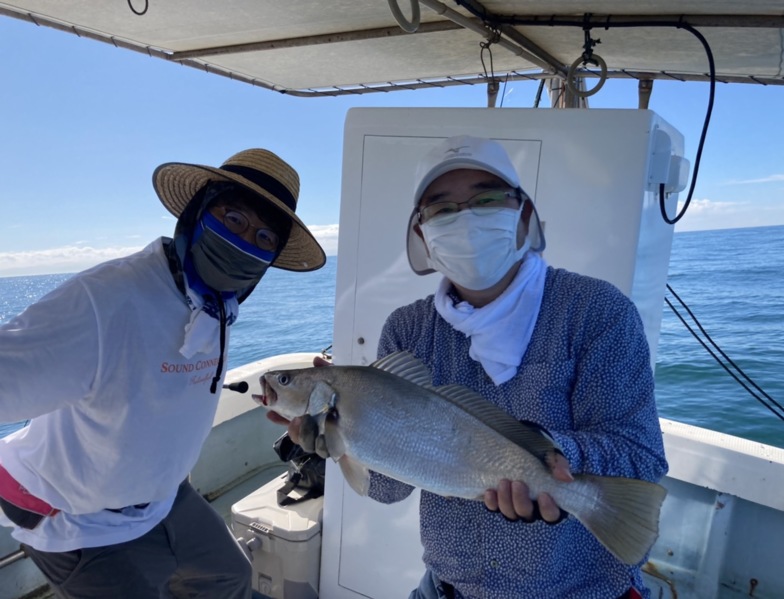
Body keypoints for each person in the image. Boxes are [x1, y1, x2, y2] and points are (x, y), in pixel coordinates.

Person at [276, 135, 668, 598]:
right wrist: (338, 445)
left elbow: (640, 457)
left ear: (523, 215)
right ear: (422, 233)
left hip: (578, 589)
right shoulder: (407, 329)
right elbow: (388, 489)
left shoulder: (595, 311)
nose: (464, 219)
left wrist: (551, 461)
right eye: (442, 210)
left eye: (486, 200)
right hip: (447, 587)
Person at [0, 148, 325, 598]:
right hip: (74, 514)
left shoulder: (217, 301)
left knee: (229, 577)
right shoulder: (106, 298)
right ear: (198, 210)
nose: (245, 240)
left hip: (164, 496)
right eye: (233, 218)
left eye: (264, 236)